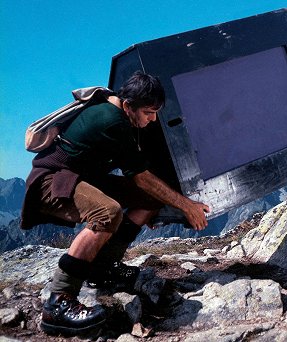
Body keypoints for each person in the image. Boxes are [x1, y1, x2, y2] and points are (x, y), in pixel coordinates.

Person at [20, 71, 210, 336]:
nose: (152, 119)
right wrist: (187, 206)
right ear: (129, 105)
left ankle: (102, 268)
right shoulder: (112, 121)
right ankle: (58, 301)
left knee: (150, 200)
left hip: (83, 178)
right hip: (52, 181)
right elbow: (141, 177)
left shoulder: (118, 111)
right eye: (148, 112)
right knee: (106, 212)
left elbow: (145, 185)